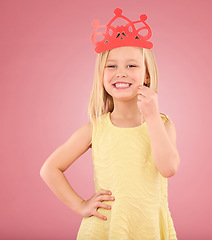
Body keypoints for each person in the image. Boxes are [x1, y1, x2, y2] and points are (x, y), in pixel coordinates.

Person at [40, 8, 180, 240]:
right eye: (111, 66)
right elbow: (49, 169)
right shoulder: (95, 129)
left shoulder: (162, 124)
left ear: (146, 75)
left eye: (131, 66)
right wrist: (81, 205)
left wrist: (152, 117)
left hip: (149, 227)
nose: (120, 73)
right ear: (101, 74)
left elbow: (169, 168)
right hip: (106, 227)